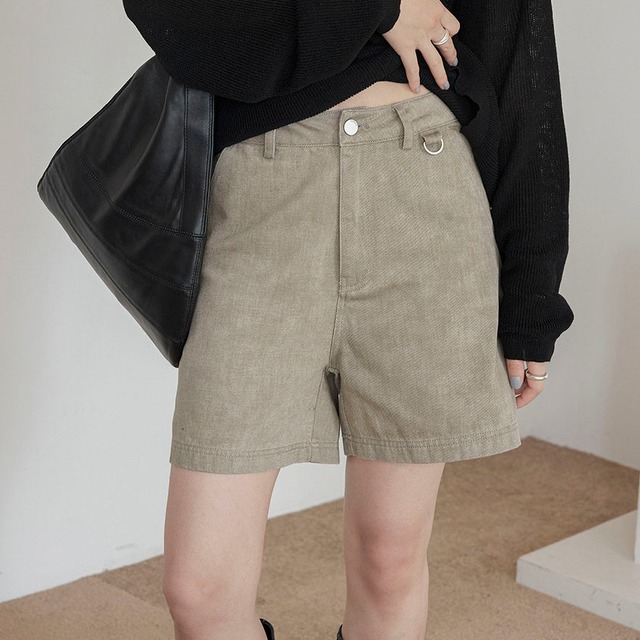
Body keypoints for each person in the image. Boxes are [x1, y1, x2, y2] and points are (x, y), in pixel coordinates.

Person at [122, 0, 574, 638]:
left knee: (390, 560)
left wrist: (532, 299)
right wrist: (378, 10)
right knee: (199, 590)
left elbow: (523, 75)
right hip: (260, 199)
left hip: (424, 183)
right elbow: (189, 31)